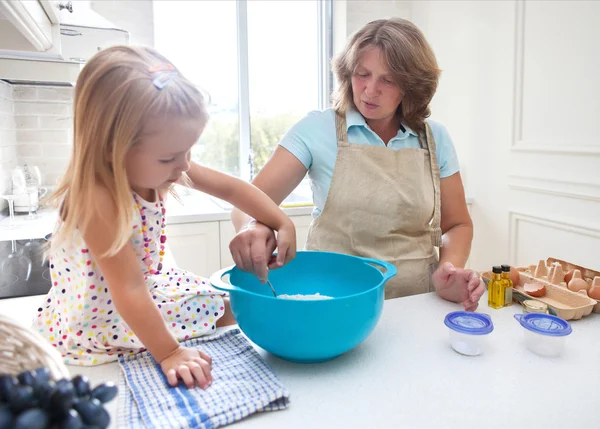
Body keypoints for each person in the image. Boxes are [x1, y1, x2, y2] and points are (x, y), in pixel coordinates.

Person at [32, 46, 296, 388]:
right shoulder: (97, 199)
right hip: (101, 317)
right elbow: (127, 290)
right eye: (171, 157)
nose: (185, 165)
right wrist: (170, 353)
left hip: (145, 288)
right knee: (234, 311)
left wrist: (281, 222)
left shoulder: (164, 161)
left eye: (189, 151)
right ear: (115, 148)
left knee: (231, 305)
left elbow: (233, 189)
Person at [230, 18, 484, 311]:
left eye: (387, 80)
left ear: (411, 86)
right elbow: (245, 203)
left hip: (416, 303)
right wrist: (252, 225)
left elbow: (457, 223)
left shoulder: (435, 138)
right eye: (362, 74)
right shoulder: (317, 129)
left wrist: (449, 268)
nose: (369, 90)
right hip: (334, 302)